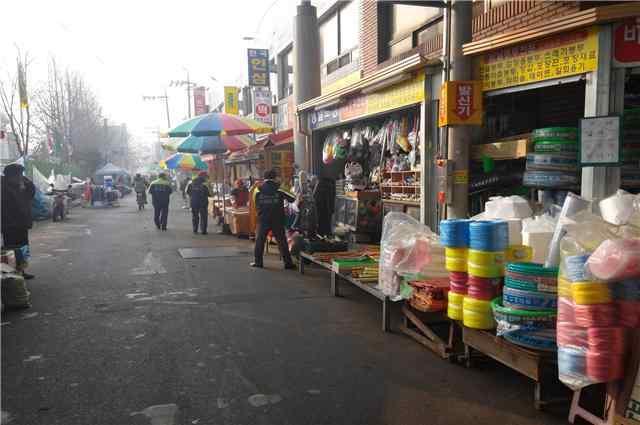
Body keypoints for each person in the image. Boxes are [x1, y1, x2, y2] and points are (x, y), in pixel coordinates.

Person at [251, 169, 295, 269]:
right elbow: (292, 198)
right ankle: (288, 264)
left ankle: (258, 262)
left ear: (264, 178)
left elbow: (255, 203)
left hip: (263, 219)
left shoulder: (258, 189)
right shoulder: (280, 187)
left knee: (260, 241)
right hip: (277, 218)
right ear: (275, 177)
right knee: (282, 241)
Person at [1, 163, 36, 279]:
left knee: (22, 249)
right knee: (11, 251)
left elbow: (31, 193)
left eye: (21, 174)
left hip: (21, 225)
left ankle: (21, 271)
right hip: (10, 226)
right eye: (19, 174)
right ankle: (11, 274)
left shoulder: (19, 186)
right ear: (11, 175)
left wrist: (26, 181)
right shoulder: (4, 188)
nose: (20, 177)